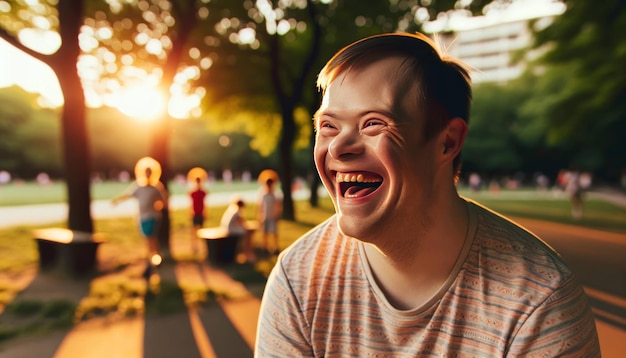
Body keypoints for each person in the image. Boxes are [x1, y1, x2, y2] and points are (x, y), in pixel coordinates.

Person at [255, 33, 600, 356]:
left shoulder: (540, 304)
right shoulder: (298, 280)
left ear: (447, 141)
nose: (339, 148)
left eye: (373, 123)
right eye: (328, 126)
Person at [112, 166, 167, 279]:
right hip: (142, 218)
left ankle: (149, 265)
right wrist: (117, 201)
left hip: (153, 217)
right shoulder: (139, 187)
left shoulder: (155, 188)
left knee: (150, 240)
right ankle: (156, 257)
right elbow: (128, 195)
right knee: (151, 240)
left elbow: (163, 201)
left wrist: (158, 206)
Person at [221, 197, 254, 262]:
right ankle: (247, 252)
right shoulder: (237, 211)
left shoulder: (232, 209)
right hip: (230, 230)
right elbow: (242, 222)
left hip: (226, 228)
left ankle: (246, 252)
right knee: (247, 233)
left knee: (246, 232)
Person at [257, 177, 281, 255]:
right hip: (265, 216)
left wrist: (277, 215)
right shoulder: (263, 194)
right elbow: (260, 206)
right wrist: (260, 215)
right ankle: (265, 247)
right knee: (265, 232)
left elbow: (278, 206)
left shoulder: (275, 194)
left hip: (272, 216)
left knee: (274, 232)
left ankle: (276, 246)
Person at [189, 176, 208, 253]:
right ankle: (194, 247)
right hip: (195, 213)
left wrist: (205, 212)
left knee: (202, 231)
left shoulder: (202, 192)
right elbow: (191, 204)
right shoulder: (193, 192)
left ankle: (203, 247)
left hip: (200, 213)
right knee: (194, 231)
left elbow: (204, 204)